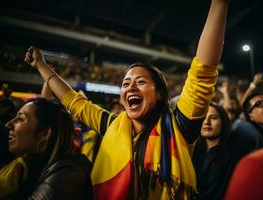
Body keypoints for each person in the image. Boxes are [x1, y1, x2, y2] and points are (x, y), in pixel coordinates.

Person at [24, 0, 229, 198]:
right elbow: (74, 103)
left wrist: (219, 3)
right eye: (125, 83)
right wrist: (41, 65)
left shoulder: (179, 124)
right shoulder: (112, 125)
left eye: (140, 82)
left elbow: (203, 72)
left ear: (159, 94)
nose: (130, 86)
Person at [0, 98, 93, 199]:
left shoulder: (67, 175)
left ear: (44, 133)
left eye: (20, 119)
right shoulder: (26, 166)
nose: (8, 125)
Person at [192, 102, 234, 200]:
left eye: (213, 118)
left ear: (223, 122)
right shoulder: (194, 151)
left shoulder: (230, 156)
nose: (206, 122)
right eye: (203, 118)